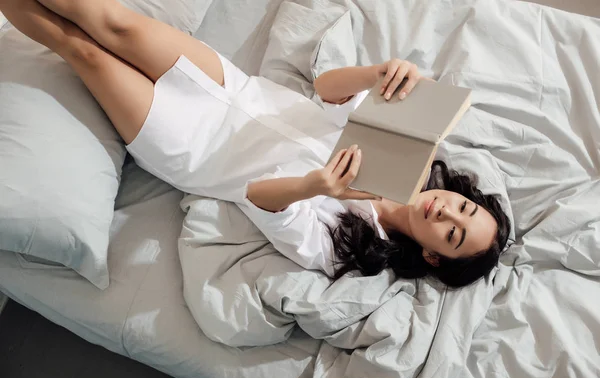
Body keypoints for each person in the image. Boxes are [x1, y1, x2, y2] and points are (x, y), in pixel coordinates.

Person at [1, 0, 511, 288]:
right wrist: (378, 75)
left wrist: (318, 185)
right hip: (232, 88)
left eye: (452, 234)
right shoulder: (411, 150)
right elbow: (327, 90)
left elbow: (260, 198)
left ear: (434, 257)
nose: (446, 213)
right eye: (463, 209)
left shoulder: (354, 250)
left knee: (82, 51)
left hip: (195, 146)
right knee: (112, 22)